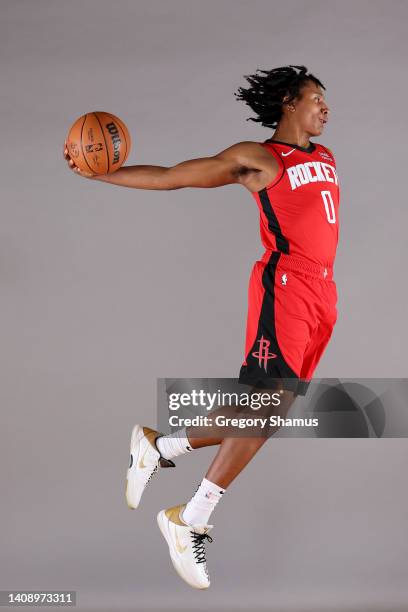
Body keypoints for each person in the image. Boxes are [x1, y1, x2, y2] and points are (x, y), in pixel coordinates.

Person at [64, 64, 339, 589]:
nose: (325, 108)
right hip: (286, 288)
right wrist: (103, 173)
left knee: (269, 413)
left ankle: (160, 448)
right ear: (288, 102)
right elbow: (172, 176)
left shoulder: (323, 155)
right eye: (316, 98)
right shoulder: (259, 158)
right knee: (264, 406)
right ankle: (188, 517)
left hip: (323, 293)